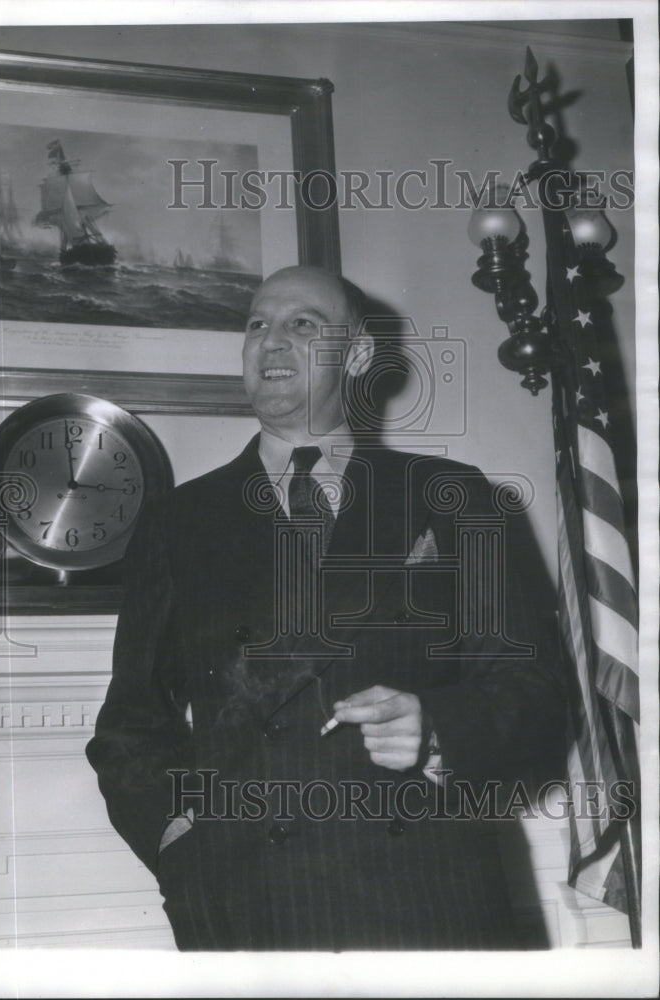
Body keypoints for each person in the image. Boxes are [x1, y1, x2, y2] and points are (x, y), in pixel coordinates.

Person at [86, 265, 566, 950]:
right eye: (256, 325)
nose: (269, 343)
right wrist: (175, 839)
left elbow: (538, 690)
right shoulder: (177, 522)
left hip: (430, 901)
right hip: (250, 907)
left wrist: (440, 727)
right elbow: (130, 723)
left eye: (301, 325)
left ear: (359, 354)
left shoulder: (456, 497)